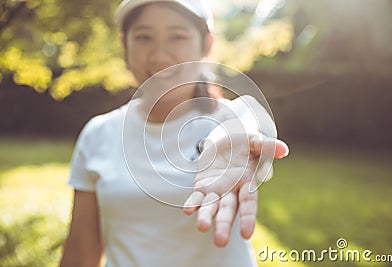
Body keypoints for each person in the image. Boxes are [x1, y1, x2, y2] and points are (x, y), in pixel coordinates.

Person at [60, 0, 289, 266]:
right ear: (125, 45)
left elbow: (250, 123)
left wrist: (229, 139)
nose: (160, 56)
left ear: (206, 44)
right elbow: (80, 252)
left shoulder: (233, 119)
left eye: (177, 36)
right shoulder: (98, 134)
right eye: (144, 37)